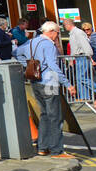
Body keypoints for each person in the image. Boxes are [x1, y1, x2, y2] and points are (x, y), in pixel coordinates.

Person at [26, 21, 75, 158]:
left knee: (44, 115)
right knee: (55, 117)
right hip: (50, 83)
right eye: (58, 33)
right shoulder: (49, 45)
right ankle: (57, 150)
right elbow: (53, 65)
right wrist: (67, 84)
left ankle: (43, 147)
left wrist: (27, 66)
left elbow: (17, 52)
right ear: (52, 32)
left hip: (35, 82)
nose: (58, 36)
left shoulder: (32, 42)